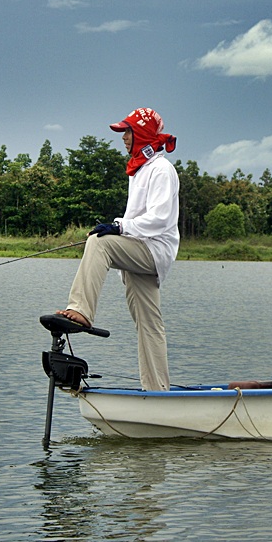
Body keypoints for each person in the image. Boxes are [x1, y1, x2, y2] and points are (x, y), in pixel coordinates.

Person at [57, 107, 179, 391]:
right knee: (149, 325)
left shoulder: (161, 170)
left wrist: (119, 227)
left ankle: (81, 310)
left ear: (143, 134)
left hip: (152, 250)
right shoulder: (139, 169)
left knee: (99, 243)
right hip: (140, 248)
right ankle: (158, 392)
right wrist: (121, 227)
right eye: (123, 132)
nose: (123, 138)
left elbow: (160, 219)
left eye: (128, 132)